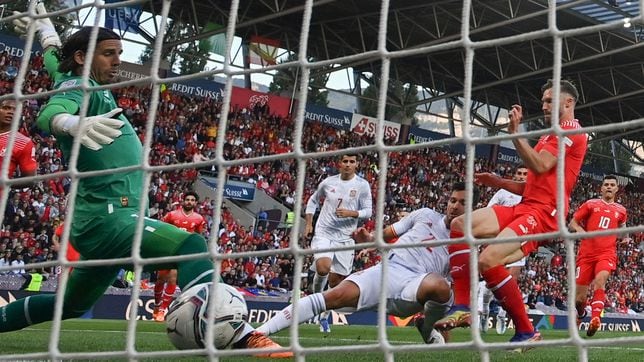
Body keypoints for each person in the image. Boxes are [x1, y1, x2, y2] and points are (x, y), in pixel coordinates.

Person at [4, 9, 290, 357]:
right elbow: (51, 112)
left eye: (120, 54)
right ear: (82, 57)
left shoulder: (84, 80)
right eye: (109, 53)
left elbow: (55, 62)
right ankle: (240, 336)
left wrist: (47, 32)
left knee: (70, 306)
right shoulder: (80, 86)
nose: (117, 61)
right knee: (192, 247)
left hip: (98, 223)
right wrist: (69, 123)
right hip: (109, 220)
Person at [436, 79, 587, 350]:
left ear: (568, 103)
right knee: (460, 225)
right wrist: (499, 182)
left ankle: (524, 329)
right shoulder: (550, 134)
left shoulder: (570, 130)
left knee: (487, 259)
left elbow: (540, 165)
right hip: (526, 205)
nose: (543, 106)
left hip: (544, 213)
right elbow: (533, 182)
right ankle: (464, 306)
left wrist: (515, 133)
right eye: (543, 101)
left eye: (550, 101)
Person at [258, 182, 477, 345]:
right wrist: (369, 239)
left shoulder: (468, 243)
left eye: (463, 203)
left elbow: (457, 288)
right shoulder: (424, 215)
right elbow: (387, 234)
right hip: (388, 270)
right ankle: (257, 335)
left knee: (440, 286)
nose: (455, 206)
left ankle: (428, 327)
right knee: (332, 296)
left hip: (417, 286)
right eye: (453, 200)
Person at [304, 153, 373, 333]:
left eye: (352, 161)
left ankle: (324, 315)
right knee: (323, 268)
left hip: (345, 238)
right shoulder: (328, 183)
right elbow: (312, 201)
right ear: (339, 164)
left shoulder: (362, 185)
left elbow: (368, 211)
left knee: (335, 283)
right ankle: (315, 301)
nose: (348, 164)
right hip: (324, 232)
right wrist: (309, 223)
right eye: (345, 161)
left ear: (357, 164)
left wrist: (352, 214)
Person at [569, 174, 628, 337]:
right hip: (586, 255)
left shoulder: (621, 210)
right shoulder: (590, 204)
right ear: (601, 188)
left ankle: (595, 319)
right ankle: (581, 314)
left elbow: (623, 229)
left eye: (612, 185)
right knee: (579, 299)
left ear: (617, 189)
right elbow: (572, 223)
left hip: (607, 253)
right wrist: (582, 232)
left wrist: (626, 238)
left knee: (600, 281)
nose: (609, 187)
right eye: (606, 184)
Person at [477, 165, 528, 334]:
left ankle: (501, 314)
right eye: (519, 173)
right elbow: (489, 211)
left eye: (525, 174)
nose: (521, 176)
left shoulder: (532, 194)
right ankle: (484, 310)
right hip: (500, 240)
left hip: (520, 240)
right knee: (493, 283)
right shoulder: (503, 193)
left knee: (511, 281)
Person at [153, 191, 206, 322]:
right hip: (168, 250)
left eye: (192, 200)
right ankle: (157, 305)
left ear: (195, 203)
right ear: (183, 201)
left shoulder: (199, 219)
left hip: (182, 253)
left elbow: (198, 237)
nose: (189, 202)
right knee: (160, 280)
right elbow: (162, 229)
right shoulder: (172, 215)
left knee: (172, 278)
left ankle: (162, 310)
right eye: (187, 199)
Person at [0, 98, 38, 185]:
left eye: (15, 110)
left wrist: (6, 184)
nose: (11, 112)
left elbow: (30, 179)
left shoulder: (24, 143)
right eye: (6, 108)